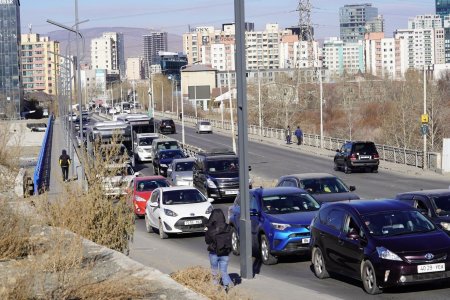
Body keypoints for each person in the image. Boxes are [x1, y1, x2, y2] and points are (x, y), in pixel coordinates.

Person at [205, 209, 233, 292]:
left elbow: (207, 241)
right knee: (224, 271)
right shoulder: (228, 227)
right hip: (225, 253)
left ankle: (216, 289)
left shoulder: (211, 229)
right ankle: (227, 287)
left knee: (214, 271)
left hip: (214, 253)